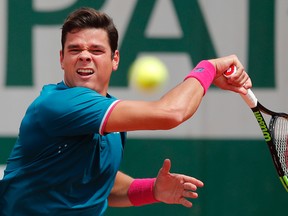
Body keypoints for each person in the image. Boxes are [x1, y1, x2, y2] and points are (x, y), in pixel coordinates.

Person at [0, 7, 251, 215]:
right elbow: (171, 113)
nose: (85, 56)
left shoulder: (110, 119)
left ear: (115, 59)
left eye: (96, 50)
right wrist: (208, 68)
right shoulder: (57, 104)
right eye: (75, 49)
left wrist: (153, 190)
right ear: (62, 59)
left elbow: (100, 183)